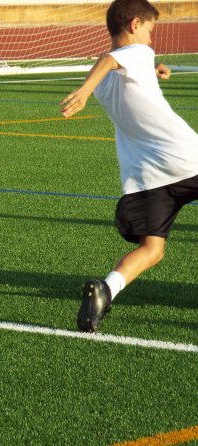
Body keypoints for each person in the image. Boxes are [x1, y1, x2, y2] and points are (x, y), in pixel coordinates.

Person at [60, 0, 198, 333]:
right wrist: (83, 89)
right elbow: (112, 59)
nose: (152, 39)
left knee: (152, 249)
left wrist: (151, 73)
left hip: (147, 177)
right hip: (187, 159)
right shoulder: (134, 52)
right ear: (135, 25)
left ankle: (106, 290)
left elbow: (119, 71)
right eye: (151, 30)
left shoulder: (113, 78)